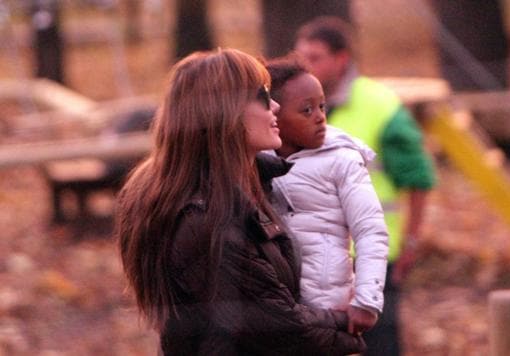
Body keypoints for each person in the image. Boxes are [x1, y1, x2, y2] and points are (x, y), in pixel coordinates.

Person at [115, 48, 365, 355]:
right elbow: (282, 328)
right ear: (224, 112)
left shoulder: (256, 186)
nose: (274, 106)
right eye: (261, 97)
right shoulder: (205, 219)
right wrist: (353, 326)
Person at [295, 17, 438, 355]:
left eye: (315, 57)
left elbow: (418, 178)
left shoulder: (381, 106)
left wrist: (412, 240)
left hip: (373, 254)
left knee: (380, 343)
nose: (305, 66)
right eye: (301, 57)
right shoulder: (288, 106)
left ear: (341, 59)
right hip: (316, 255)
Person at [265, 56, 389, 336]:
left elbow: (370, 231)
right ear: (274, 116)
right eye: (306, 110)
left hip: (328, 308)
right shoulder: (254, 161)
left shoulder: (342, 160)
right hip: (276, 310)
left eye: (322, 106)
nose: (320, 117)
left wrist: (367, 299)